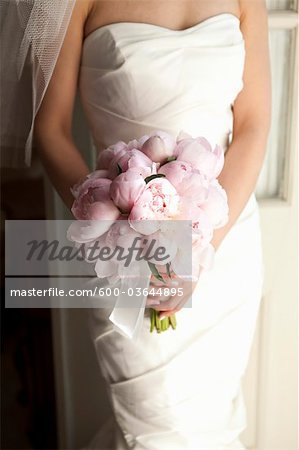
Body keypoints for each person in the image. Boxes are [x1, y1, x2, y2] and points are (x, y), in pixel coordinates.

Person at [33, 0, 271, 448]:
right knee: (157, 431)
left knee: (210, 426)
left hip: (227, 244)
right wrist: (112, 220)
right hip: (126, 254)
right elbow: (50, 130)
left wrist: (199, 249)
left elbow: (255, 125)